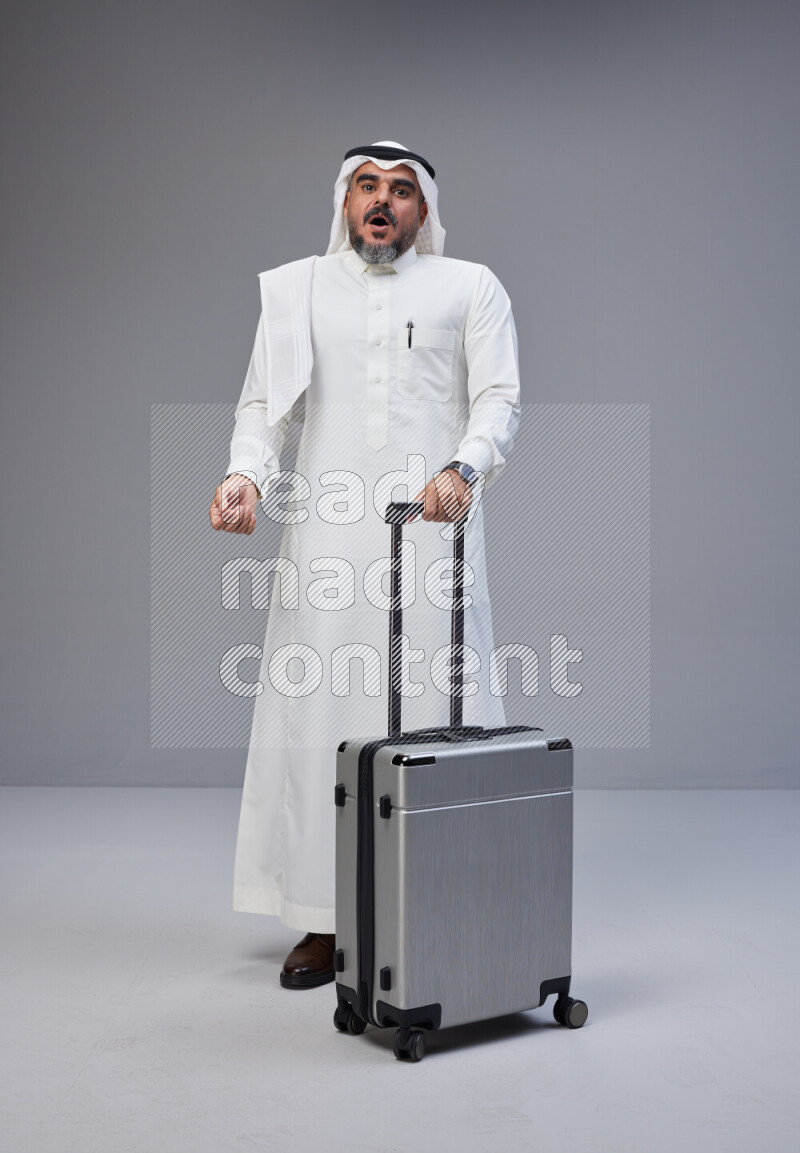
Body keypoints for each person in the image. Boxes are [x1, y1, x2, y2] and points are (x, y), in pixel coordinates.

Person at [209, 141, 521, 989]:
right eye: (367, 187)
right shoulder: (297, 289)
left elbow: (498, 397)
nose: (383, 202)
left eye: (402, 191)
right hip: (327, 537)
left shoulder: (470, 287)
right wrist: (246, 477)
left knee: (438, 705)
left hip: (434, 531)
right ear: (344, 201)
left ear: (425, 211)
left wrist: (466, 466)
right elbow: (265, 410)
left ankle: (443, 899)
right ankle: (322, 917)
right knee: (322, 710)